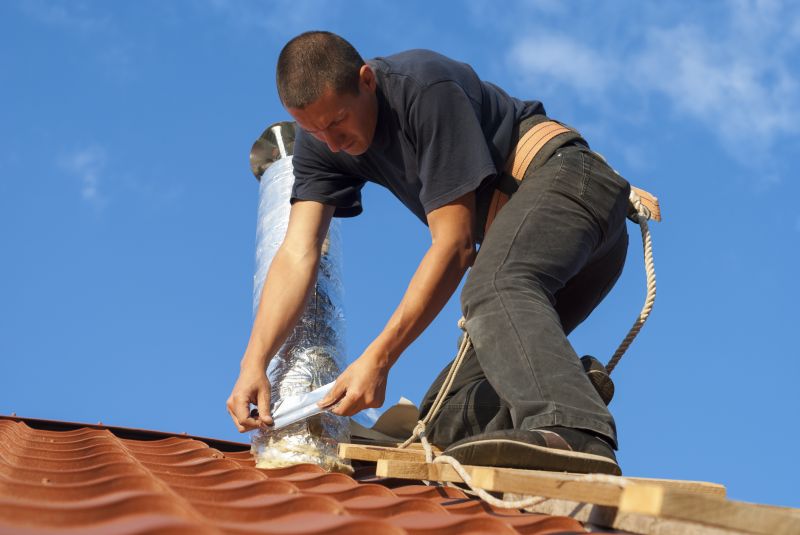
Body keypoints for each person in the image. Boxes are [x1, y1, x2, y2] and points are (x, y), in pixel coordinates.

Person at [227, 31, 631, 475]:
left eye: (338, 122)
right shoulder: (321, 143)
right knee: (443, 418)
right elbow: (297, 253)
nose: (332, 142)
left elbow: (455, 245)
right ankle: (572, 386)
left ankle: (574, 432)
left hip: (571, 186)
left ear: (366, 81)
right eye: (314, 130)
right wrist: (254, 363)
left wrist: (378, 358)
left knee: (493, 289)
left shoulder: (423, 89)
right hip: (523, 239)